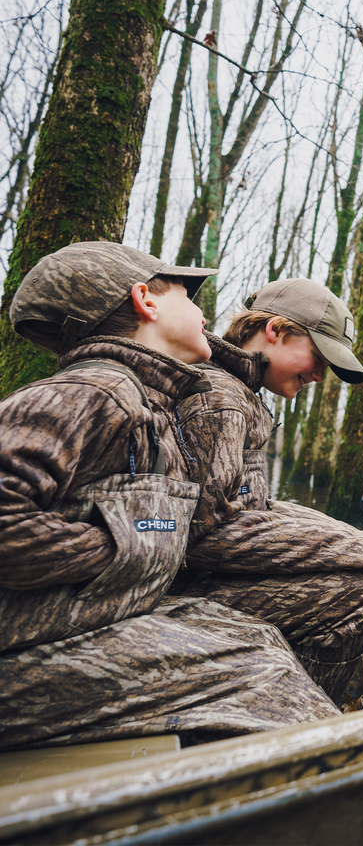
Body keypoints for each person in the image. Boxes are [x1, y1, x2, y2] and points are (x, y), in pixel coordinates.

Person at [0, 242, 339, 749]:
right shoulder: (94, 392)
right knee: (268, 674)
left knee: (260, 639)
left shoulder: (146, 399)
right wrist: (128, 543)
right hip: (25, 651)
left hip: (91, 620)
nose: (205, 314)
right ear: (146, 301)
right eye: (189, 296)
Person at [175, 278, 363, 701]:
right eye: (318, 357)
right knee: (362, 592)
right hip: (183, 593)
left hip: (211, 578)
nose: (320, 375)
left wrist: (361, 542)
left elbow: (255, 508)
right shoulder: (222, 399)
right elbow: (206, 535)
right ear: (276, 331)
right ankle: (301, 720)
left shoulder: (244, 393)